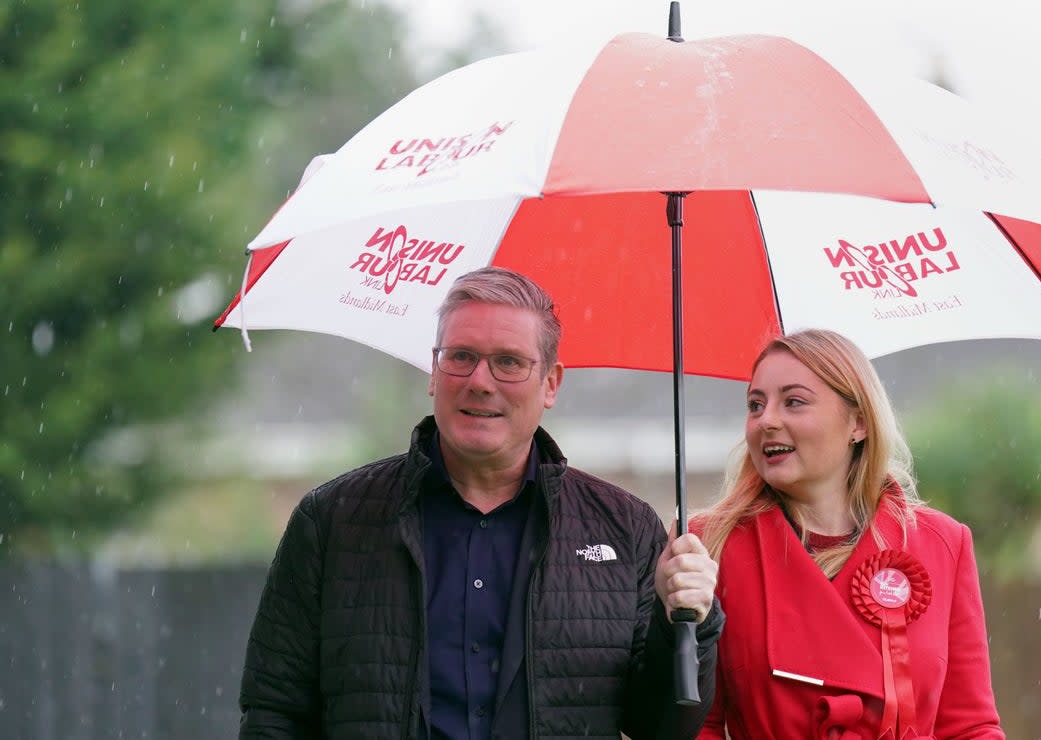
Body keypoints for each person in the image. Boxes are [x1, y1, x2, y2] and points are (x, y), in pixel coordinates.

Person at [238, 266, 723, 739]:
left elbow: (661, 726)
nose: (480, 381)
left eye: (509, 362)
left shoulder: (626, 529)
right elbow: (274, 712)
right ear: (434, 371)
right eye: (461, 356)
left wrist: (684, 623)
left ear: (551, 383)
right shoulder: (332, 521)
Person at [696, 329, 1004, 739]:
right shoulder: (711, 546)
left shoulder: (942, 543)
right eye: (755, 405)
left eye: (794, 402)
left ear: (858, 422)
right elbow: (697, 727)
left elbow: (969, 726)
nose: (766, 420)